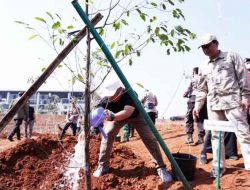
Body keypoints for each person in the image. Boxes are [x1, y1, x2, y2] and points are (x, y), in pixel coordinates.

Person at [193, 33, 250, 178]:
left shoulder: (231, 57)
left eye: (208, 46)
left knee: (243, 133)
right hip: (213, 105)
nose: (206, 50)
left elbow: (243, 77)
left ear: (216, 43)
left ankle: (249, 164)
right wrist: (197, 106)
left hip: (233, 103)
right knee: (216, 137)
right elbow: (201, 89)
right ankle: (218, 167)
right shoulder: (203, 66)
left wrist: (246, 97)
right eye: (203, 48)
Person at [93, 80, 172, 183]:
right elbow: (97, 111)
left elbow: (127, 112)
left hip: (136, 116)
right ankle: (103, 166)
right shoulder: (106, 100)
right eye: (109, 96)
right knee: (107, 134)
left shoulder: (130, 94)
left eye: (113, 95)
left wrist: (112, 117)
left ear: (120, 90)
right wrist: (95, 121)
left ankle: (161, 167)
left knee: (149, 138)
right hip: (116, 118)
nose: (110, 98)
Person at [183, 67, 205, 144]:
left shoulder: (192, 79)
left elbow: (187, 90)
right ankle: (201, 138)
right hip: (202, 99)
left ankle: (189, 137)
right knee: (200, 118)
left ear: (193, 72)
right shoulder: (203, 78)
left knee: (189, 118)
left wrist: (185, 94)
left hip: (192, 99)